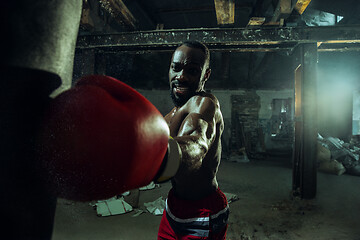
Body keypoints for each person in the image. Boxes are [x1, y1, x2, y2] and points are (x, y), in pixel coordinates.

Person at [157, 41, 229, 240]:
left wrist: (158, 152)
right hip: (174, 206)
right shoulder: (171, 115)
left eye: (192, 70)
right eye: (176, 68)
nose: (181, 76)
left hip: (203, 210)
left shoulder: (206, 104)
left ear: (205, 75)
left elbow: (197, 145)